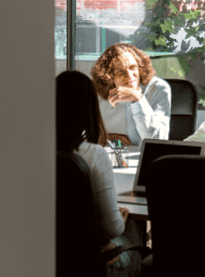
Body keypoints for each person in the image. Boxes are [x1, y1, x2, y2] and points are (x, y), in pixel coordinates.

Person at [56, 71, 143, 277]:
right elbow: (113, 229)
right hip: (84, 262)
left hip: (52, 256)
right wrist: (119, 220)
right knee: (131, 227)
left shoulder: (32, 152)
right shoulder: (93, 154)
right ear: (89, 108)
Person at [91, 43, 171, 146]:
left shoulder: (158, 89)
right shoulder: (99, 93)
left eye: (133, 67)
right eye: (120, 73)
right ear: (109, 79)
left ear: (140, 67)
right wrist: (107, 138)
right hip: (112, 157)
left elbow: (158, 142)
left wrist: (138, 99)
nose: (129, 76)